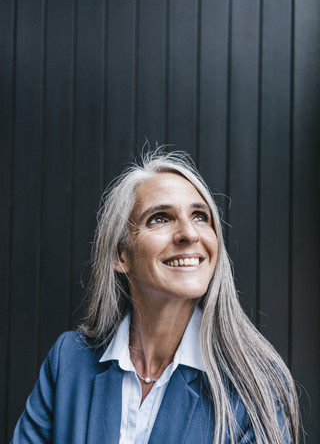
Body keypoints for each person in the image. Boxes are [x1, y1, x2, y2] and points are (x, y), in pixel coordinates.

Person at [11, 150, 300, 443]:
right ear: (120, 255)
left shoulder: (255, 384)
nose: (189, 233)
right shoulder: (68, 361)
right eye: (160, 218)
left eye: (200, 216)